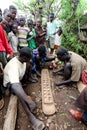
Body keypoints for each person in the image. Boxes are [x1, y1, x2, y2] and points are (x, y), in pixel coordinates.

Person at [3, 47, 45, 130]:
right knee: (20, 94)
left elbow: (29, 64)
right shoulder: (13, 66)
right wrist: (29, 101)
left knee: (29, 64)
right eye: (29, 58)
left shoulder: (22, 60)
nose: (30, 59)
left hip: (19, 79)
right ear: (24, 58)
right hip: (10, 84)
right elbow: (15, 86)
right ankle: (31, 117)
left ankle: (28, 79)